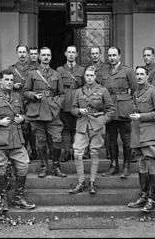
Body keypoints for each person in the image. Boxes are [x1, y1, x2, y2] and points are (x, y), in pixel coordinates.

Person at [0, 69, 36, 211]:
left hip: (16, 139)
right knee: (1, 168)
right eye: (6, 80)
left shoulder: (17, 97)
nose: (9, 82)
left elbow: (23, 114)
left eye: (11, 80)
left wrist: (22, 119)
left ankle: (18, 198)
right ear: (0, 81)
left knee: (23, 166)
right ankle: (2, 199)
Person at [69, 66, 115, 194]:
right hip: (82, 124)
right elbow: (72, 109)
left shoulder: (103, 90)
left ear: (95, 76)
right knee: (77, 153)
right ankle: (81, 182)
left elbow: (111, 110)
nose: (89, 77)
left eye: (91, 75)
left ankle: (92, 182)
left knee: (94, 152)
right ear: (84, 77)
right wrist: (79, 111)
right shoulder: (79, 91)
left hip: (97, 125)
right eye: (87, 75)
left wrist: (103, 120)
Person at [24, 47, 67, 178]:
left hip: (52, 112)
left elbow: (62, 94)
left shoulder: (56, 74)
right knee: (40, 141)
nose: (46, 57)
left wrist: (56, 104)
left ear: (51, 57)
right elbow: (25, 91)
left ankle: (56, 166)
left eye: (48, 55)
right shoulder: (32, 74)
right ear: (39, 57)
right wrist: (33, 95)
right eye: (43, 55)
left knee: (57, 139)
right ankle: (43, 166)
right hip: (37, 111)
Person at [128, 66, 155, 212]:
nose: (139, 76)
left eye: (142, 74)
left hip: (149, 134)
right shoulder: (136, 92)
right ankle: (143, 196)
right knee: (141, 165)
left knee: (151, 166)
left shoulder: (153, 91)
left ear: (147, 76)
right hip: (137, 134)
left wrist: (141, 116)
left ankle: (151, 199)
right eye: (137, 74)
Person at [101, 47, 137, 178]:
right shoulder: (104, 71)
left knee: (126, 140)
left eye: (114, 55)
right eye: (110, 55)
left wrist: (130, 105)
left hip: (123, 109)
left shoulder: (127, 70)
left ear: (119, 56)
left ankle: (126, 166)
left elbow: (135, 90)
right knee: (111, 140)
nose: (112, 58)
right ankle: (113, 165)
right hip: (109, 108)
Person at [8, 45, 38, 160]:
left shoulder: (34, 69)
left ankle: (34, 150)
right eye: (20, 52)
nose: (22, 54)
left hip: (31, 101)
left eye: (24, 52)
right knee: (22, 127)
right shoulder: (11, 69)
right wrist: (13, 86)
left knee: (33, 127)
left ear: (27, 54)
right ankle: (23, 152)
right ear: (17, 53)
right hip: (18, 100)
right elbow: (5, 84)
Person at [57, 45, 85, 162]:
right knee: (65, 129)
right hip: (65, 103)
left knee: (77, 128)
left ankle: (76, 152)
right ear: (65, 54)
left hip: (77, 103)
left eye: (73, 52)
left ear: (77, 54)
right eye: (69, 52)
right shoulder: (60, 70)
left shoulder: (82, 70)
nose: (71, 54)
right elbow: (57, 88)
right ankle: (66, 151)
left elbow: (84, 87)